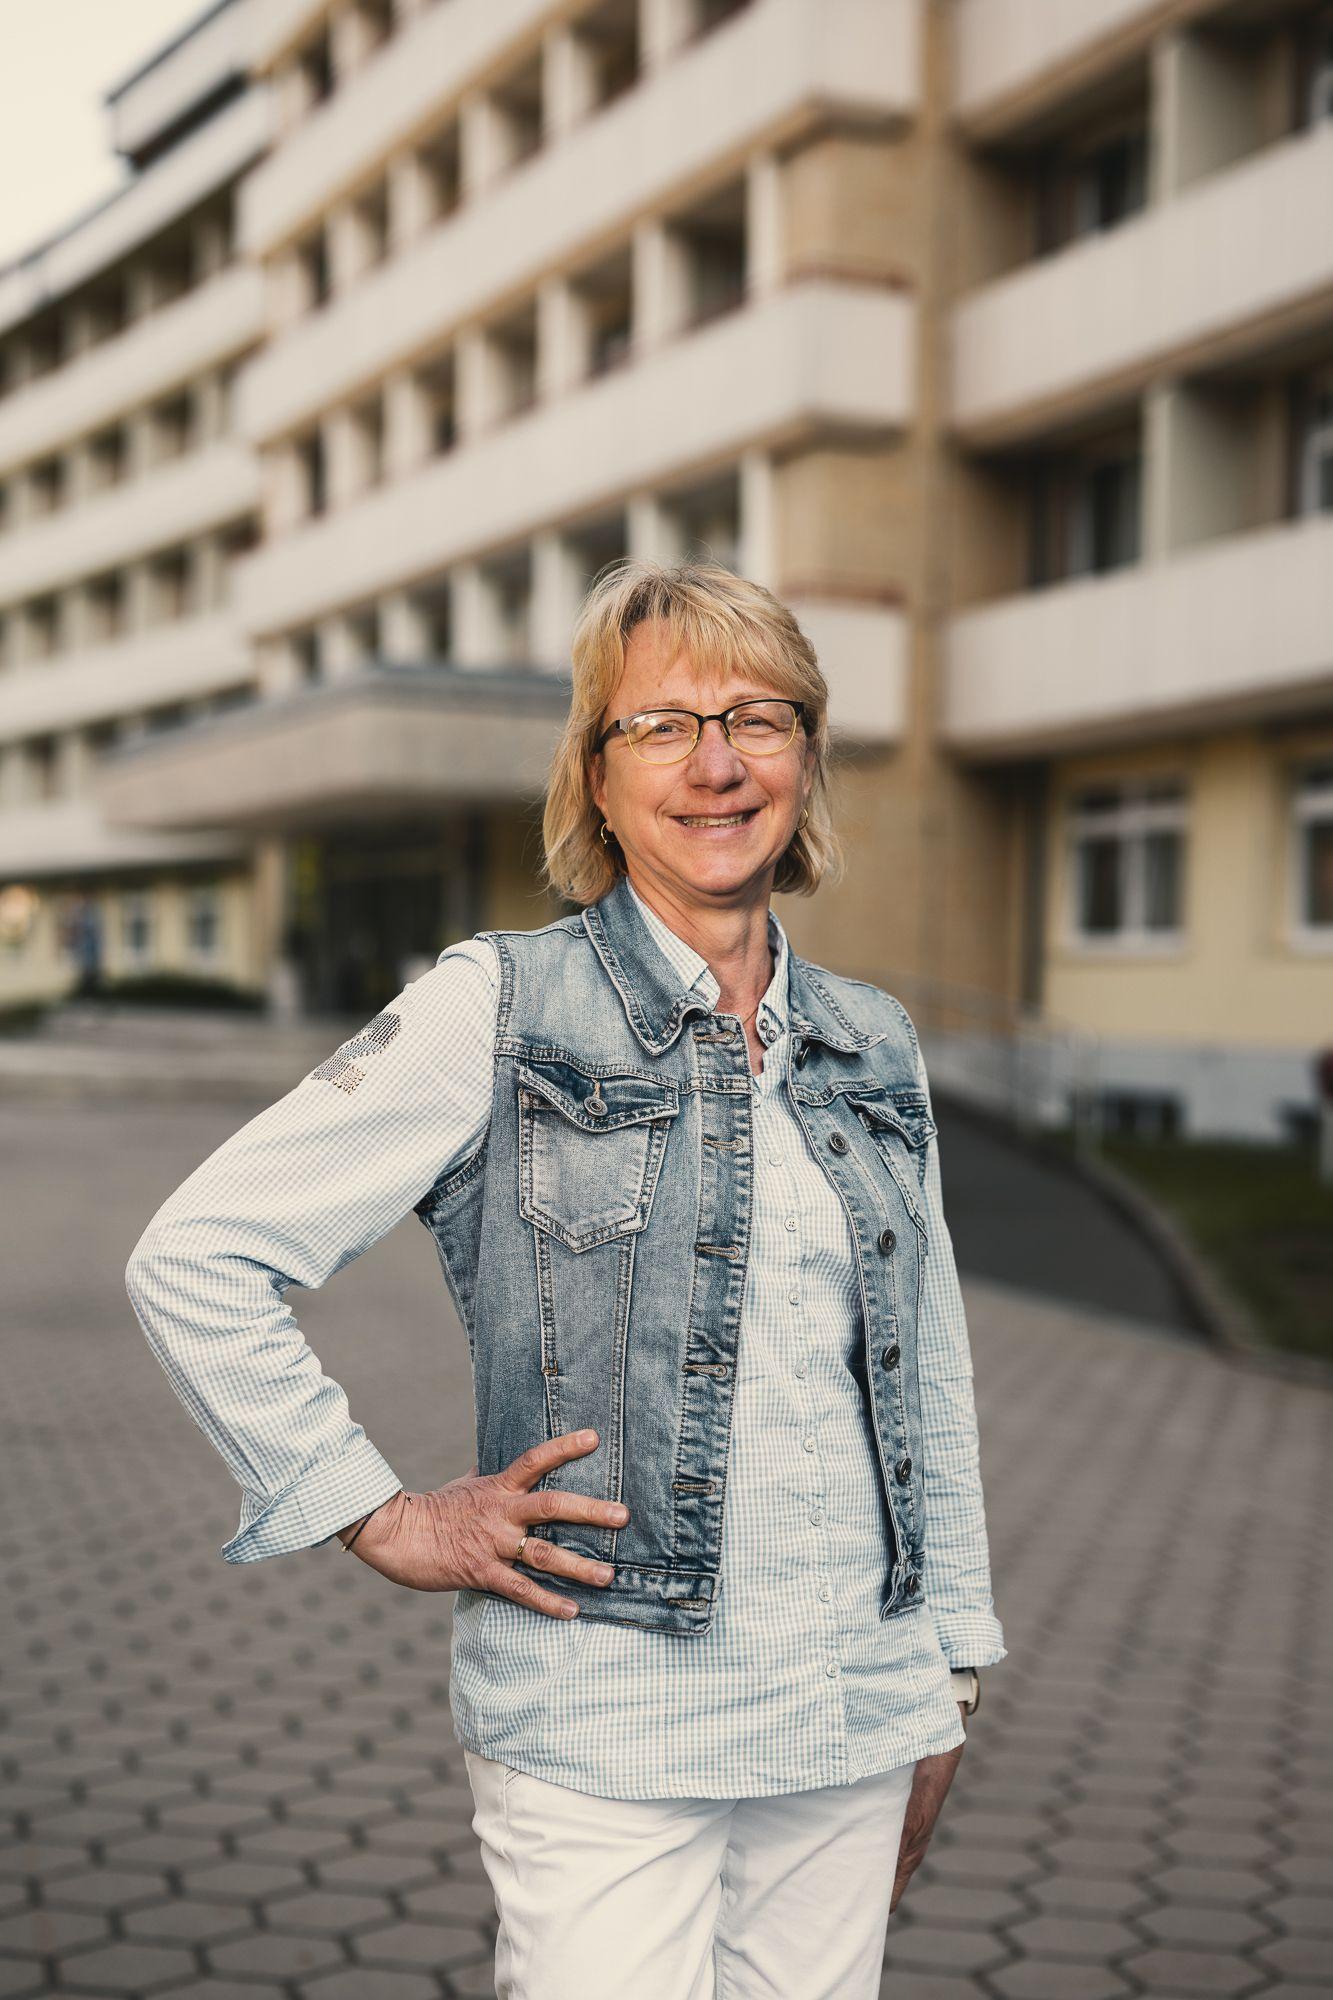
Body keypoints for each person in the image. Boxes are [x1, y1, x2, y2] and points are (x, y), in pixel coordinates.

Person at [125, 558, 1006, 1999]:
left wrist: (947, 1678)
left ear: (805, 757)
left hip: (852, 1708)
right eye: (659, 726)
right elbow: (199, 1258)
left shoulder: (870, 1039)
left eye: (756, 719)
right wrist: (380, 1514)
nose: (715, 764)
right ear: (594, 779)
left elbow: (929, 1372)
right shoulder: (500, 1005)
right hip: (608, 1724)